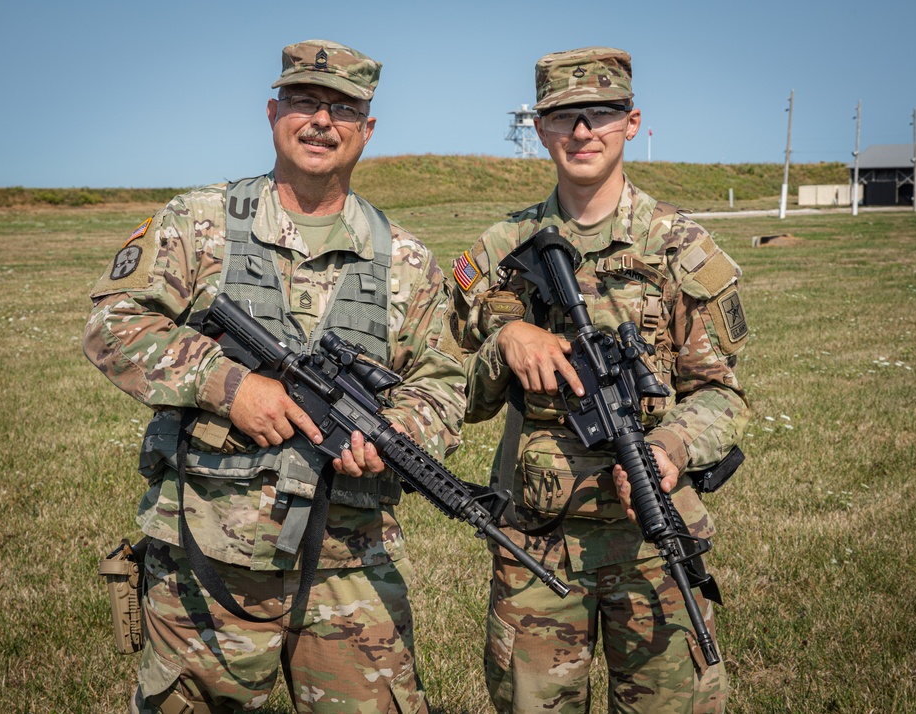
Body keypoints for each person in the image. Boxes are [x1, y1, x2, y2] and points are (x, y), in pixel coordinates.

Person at [83, 39, 465, 714]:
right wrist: (229, 387)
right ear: (271, 112)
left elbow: (444, 378)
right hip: (208, 552)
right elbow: (112, 324)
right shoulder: (200, 224)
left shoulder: (405, 258)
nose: (321, 120)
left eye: (342, 109)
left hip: (351, 567)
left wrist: (398, 431)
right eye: (303, 101)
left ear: (366, 130)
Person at [452, 46, 749, 713]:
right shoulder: (500, 250)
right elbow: (454, 397)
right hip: (536, 543)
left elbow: (722, 395)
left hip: (652, 535)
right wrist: (506, 338)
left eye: (601, 113)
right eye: (563, 116)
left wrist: (670, 447)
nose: (582, 131)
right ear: (539, 127)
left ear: (632, 121)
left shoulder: (678, 247)